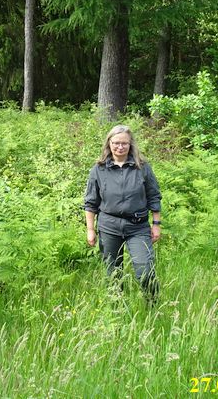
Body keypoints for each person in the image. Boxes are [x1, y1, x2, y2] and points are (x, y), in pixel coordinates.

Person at [83, 125, 162, 304]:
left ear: (130, 144)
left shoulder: (142, 167)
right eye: (116, 143)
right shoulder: (99, 169)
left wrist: (156, 224)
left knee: (145, 270)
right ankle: (117, 310)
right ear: (109, 144)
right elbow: (90, 202)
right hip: (109, 226)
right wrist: (90, 229)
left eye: (124, 143)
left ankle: (153, 306)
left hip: (138, 227)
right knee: (113, 273)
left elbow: (154, 195)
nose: (120, 147)